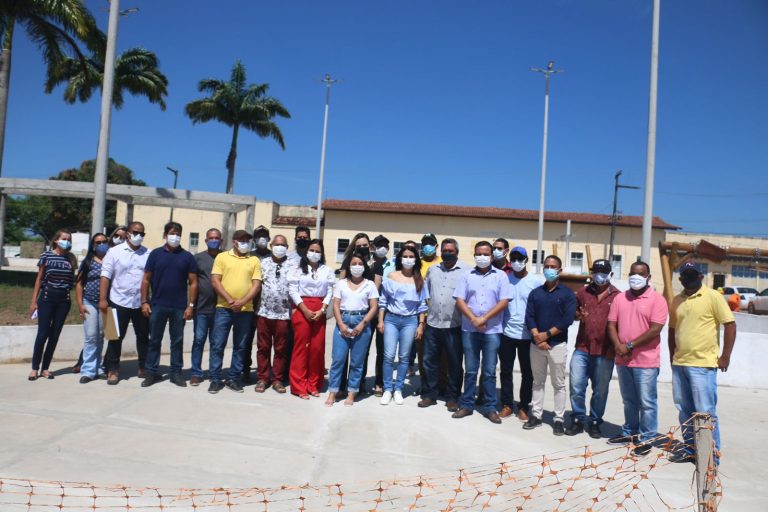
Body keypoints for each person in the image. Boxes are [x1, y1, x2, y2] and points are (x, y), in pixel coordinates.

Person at [668, 261, 736, 464]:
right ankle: (690, 450)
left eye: (693, 274)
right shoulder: (676, 300)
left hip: (703, 366)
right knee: (685, 411)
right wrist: (672, 357)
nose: (689, 278)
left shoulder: (713, 296)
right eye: (685, 275)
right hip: (680, 364)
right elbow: (672, 330)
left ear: (700, 277)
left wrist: (725, 356)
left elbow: (730, 325)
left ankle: (710, 457)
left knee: (705, 412)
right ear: (681, 279)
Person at [607, 261, 668, 456]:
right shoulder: (620, 298)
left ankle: (647, 438)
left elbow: (655, 329)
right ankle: (629, 432)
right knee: (629, 400)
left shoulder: (657, 300)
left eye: (641, 274)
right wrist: (618, 346)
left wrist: (629, 345)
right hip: (623, 359)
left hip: (646, 361)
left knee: (647, 403)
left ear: (648, 277)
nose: (636, 277)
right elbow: (611, 324)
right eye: (633, 273)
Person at [451, 241, 510, 424]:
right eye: (479, 254)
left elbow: (504, 301)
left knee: (489, 371)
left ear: (491, 256)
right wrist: (474, 319)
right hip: (470, 329)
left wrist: (483, 319)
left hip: (492, 331)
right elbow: (460, 300)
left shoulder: (501, 276)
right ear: (474, 255)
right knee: (470, 370)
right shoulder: (466, 275)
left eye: (486, 254)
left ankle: (490, 407)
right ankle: (467, 404)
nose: (482, 257)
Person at [566, 259, 621, 438]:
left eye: (604, 271)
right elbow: (574, 314)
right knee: (576, 386)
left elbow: (621, 324)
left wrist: (614, 348)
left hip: (605, 352)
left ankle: (595, 421)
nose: (599, 275)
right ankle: (578, 419)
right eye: (596, 271)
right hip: (582, 348)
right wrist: (578, 315)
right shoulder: (583, 292)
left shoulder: (618, 296)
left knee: (600, 390)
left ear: (610, 274)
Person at [523, 255, 577, 435]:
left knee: (558, 384)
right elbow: (529, 316)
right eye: (546, 266)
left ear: (559, 270)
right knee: (537, 382)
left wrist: (546, 336)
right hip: (536, 345)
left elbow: (567, 320)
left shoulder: (568, 294)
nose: (549, 269)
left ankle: (559, 419)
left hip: (557, 345)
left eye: (553, 266)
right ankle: (536, 415)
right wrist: (537, 337)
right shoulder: (535, 293)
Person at [140, 222, 198, 388]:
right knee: (154, 340)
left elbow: (193, 282)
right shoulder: (155, 254)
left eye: (178, 234)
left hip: (179, 307)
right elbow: (146, 279)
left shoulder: (187, 257)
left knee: (177, 341)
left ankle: (176, 373)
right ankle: (151, 373)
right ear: (165, 235)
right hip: (157, 305)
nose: (175, 236)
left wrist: (190, 306)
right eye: (172, 233)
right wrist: (144, 301)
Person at [208, 230, 263, 394]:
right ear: (234, 241)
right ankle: (215, 379)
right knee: (218, 345)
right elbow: (215, 281)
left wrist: (243, 301)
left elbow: (256, 285)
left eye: (247, 240)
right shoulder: (222, 257)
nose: (245, 243)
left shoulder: (254, 260)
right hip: (224, 308)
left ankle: (233, 378)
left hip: (245, 310)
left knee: (240, 346)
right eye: (242, 240)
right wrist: (230, 300)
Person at [419, 238, 467, 411]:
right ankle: (430, 395)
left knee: (454, 363)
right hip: (433, 324)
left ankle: (452, 397)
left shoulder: (466, 271)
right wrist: (422, 319)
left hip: (454, 325)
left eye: (450, 251)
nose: (447, 253)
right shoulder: (432, 270)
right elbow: (425, 294)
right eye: (445, 251)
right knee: (429, 362)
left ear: (457, 252)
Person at [99, 221, 151, 385]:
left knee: (143, 336)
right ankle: (113, 369)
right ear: (128, 233)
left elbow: (151, 278)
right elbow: (105, 276)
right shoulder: (113, 252)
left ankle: (143, 366)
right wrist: (102, 299)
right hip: (116, 301)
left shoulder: (148, 253)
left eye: (142, 233)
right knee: (113, 337)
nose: (138, 236)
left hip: (140, 302)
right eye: (135, 232)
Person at [377, 246, 429, 405]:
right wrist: (380, 320)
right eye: (405, 256)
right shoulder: (391, 276)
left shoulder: (419, 279)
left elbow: (422, 306)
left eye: (411, 256)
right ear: (400, 258)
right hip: (391, 320)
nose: (408, 259)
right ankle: (387, 389)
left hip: (410, 321)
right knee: (388, 355)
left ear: (416, 259)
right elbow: (383, 301)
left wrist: (421, 324)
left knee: (404, 357)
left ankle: (398, 388)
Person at [326, 253, 379, 406]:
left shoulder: (370, 284)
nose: (357, 267)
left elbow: (374, 307)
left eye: (360, 264)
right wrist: (341, 324)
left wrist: (363, 324)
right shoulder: (341, 283)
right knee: (338, 359)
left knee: (357, 362)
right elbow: (336, 305)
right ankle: (333, 391)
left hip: (361, 321)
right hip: (343, 321)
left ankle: (352, 392)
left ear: (364, 266)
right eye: (353, 264)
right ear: (349, 266)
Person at [499, 246, 544, 421]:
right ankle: (507, 404)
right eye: (514, 259)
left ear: (526, 260)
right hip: (507, 333)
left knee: (527, 373)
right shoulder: (505, 279)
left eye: (520, 258)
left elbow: (540, 307)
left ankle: (524, 406)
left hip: (527, 335)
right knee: (506, 371)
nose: (517, 262)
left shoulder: (535, 282)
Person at [288, 239, 334, 399]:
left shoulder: (327, 270)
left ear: (322, 254)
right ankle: (299, 385)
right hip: (302, 307)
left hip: (320, 309)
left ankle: (313, 384)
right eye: (312, 250)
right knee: (301, 347)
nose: (314, 253)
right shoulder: (297, 269)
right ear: (307, 251)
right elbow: (293, 290)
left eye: (317, 251)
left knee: (317, 348)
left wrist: (323, 309)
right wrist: (304, 309)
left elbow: (330, 290)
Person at [28, 229, 76, 381]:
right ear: (56, 240)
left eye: (69, 239)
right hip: (47, 297)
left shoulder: (71, 258)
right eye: (64, 238)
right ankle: (34, 368)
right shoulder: (46, 256)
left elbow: (72, 281)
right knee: (43, 333)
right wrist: (34, 301)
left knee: (55, 335)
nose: (66, 242)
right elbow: (39, 279)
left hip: (64, 300)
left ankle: (45, 368)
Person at [254, 234, 292, 394]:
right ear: (271, 246)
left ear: (287, 248)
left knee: (281, 349)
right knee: (263, 347)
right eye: (277, 244)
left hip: (283, 314)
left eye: (283, 245)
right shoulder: (262, 263)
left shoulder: (293, 265)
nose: (280, 247)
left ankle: (277, 379)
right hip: (264, 313)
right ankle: (263, 378)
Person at [74, 233, 110, 383]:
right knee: (90, 336)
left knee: (102, 336)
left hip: (107, 304)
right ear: (93, 245)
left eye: (104, 241)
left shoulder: (112, 259)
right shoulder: (88, 261)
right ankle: (88, 370)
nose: (101, 244)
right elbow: (79, 284)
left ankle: (98, 368)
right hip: (89, 302)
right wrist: (80, 305)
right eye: (98, 242)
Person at [190, 228, 222, 386]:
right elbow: (192, 283)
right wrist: (190, 305)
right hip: (201, 308)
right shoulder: (198, 258)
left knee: (216, 343)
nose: (214, 240)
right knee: (199, 340)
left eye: (216, 238)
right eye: (211, 238)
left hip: (220, 309)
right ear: (206, 240)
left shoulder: (225, 257)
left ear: (221, 240)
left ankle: (213, 372)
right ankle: (196, 373)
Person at [242, 225, 272, 382]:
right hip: (249, 304)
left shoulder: (273, 256)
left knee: (265, 342)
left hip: (266, 305)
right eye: (259, 236)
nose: (262, 239)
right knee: (246, 339)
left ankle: (265, 371)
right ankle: (245, 369)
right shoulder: (248, 256)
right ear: (254, 239)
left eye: (264, 236)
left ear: (269, 239)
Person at [368, 234, 394, 396]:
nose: (382, 248)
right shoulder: (366, 263)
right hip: (367, 311)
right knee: (363, 348)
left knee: (382, 349)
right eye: (379, 245)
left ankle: (380, 382)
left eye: (385, 245)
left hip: (384, 312)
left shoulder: (393, 265)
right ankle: (359, 382)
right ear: (373, 247)